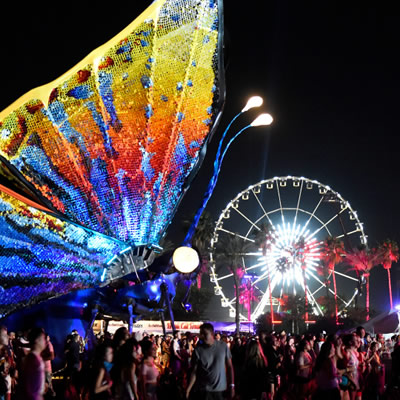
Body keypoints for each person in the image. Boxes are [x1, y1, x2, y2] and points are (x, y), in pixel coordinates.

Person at [186, 323, 234, 400]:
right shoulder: (198, 350)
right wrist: (188, 389)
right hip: (205, 391)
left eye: (205, 334)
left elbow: (229, 366)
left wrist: (232, 385)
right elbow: (194, 371)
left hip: (220, 391)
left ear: (212, 334)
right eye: (201, 334)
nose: (202, 336)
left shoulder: (223, 346)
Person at [17, 327, 46, 400]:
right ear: (37, 340)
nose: (45, 341)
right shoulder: (33, 360)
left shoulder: (35, 357)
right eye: (43, 339)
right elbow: (30, 389)